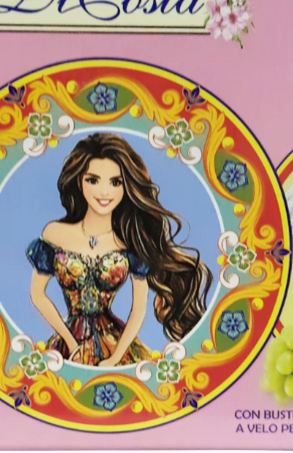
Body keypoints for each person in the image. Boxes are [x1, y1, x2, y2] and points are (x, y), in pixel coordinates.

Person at [26, 132, 212, 366]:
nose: (104, 192)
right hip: (68, 345)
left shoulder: (129, 243)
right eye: (93, 180)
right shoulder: (55, 233)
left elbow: (138, 309)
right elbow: (38, 294)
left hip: (116, 346)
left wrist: (114, 358)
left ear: (126, 187)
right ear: (79, 181)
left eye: (115, 182)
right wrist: (71, 344)